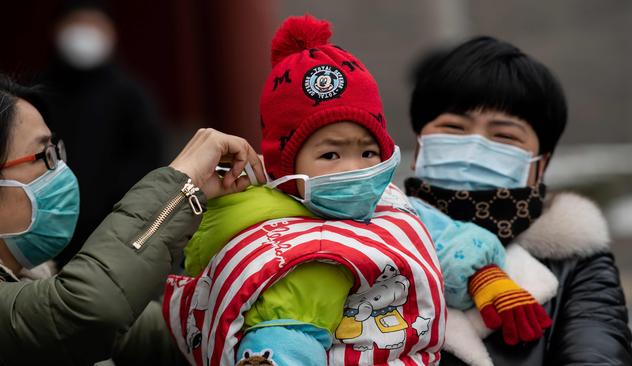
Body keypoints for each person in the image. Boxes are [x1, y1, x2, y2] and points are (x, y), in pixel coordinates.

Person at [163, 15, 447, 366]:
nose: (353, 167)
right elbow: (285, 336)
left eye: (368, 152)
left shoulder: (388, 203)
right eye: (330, 154)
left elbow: (437, 236)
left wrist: (488, 276)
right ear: (285, 166)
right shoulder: (297, 256)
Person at [0, 75, 266, 365]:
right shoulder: (52, 311)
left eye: (58, 152)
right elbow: (89, 309)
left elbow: (179, 333)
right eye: (45, 156)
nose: (61, 170)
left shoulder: (33, 280)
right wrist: (181, 183)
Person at [405, 36, 632, 366]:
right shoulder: (363, 240)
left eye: (504, 136)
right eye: (454, 128)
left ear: (541, 164)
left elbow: (596, 353)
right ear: (420, 144)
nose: (473, 148)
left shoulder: (577, 263)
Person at [39, 1, 164, 267]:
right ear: (56, 30)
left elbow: (147, 161)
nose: (85, 33)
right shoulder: (37, 96)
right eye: (77, 24)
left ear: (112, 33)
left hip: (114, 233)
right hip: (45, 234)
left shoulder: (131, 96)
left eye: (93, 25)